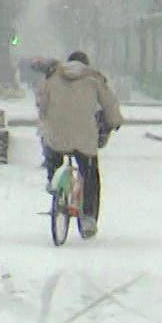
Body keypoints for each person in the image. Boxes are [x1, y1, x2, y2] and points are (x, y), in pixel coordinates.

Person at [37, 51, 123, 238]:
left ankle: (54, 181)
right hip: (83, 134)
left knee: (53, 151)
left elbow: (41, 102)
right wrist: (114, 121)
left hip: (57, 132)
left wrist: (46, 120)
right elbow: (110, 103)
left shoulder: (53, 76)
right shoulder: (94, 77)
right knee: (89, 171)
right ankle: (88, 218)